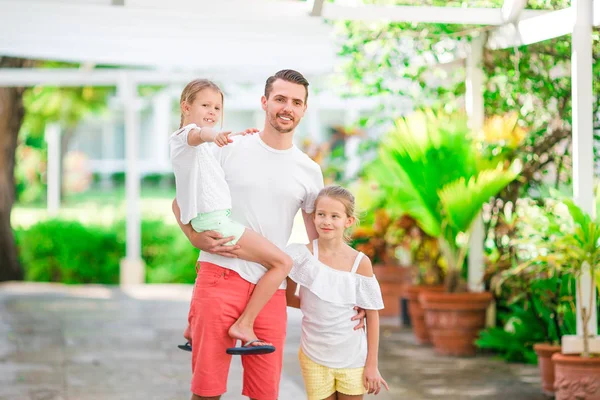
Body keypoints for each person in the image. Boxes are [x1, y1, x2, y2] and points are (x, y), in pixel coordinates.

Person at [173, 70, 366, 400]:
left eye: (296, 102)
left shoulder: (308, 170)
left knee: (265, 395)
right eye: (280, 99)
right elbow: (181, 200)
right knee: (207, 392)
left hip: (271, 292)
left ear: (304, 109)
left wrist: (347, 292)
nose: (287, 107)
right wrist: (193, 236)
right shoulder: (228, 146)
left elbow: (320, 243)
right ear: (264, 102)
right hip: (220, 276)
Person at [170, 78, 294, 356]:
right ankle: (245, 325)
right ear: (186, 106)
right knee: (282, 263)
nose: (212, 112)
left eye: (217, 107)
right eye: (205, 105)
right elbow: (197, 135)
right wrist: (213, 134)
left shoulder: (200, 150)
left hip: (214, 219)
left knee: (209, 268)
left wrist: (236, 136)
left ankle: (192, 328)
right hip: (217, 223)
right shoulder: (184, 138)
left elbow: (206, 145)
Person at [286, 185, 389, 400]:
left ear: (348, 221)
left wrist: (372, 365)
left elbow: (372, 314)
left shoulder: (360, 263)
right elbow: (288, 297)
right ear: (313, 217)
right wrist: (318, 307)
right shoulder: (302, 256)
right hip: (313, 355)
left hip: (352, 359)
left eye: (335, 216)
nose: (327, 221)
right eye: (321, 214)